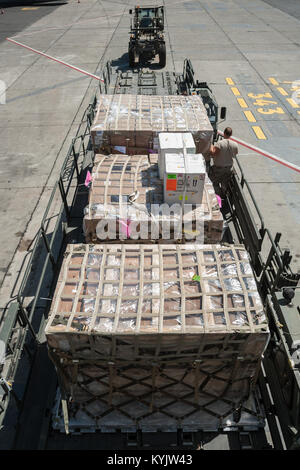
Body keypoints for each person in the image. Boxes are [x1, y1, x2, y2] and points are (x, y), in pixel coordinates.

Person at [208, 127, 238, 197]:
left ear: (224, 133)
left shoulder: (220, 144)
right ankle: (223, 194)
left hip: (219, 168)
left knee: (212, 181)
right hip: (229, 168)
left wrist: (211, 146)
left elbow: (213, 154)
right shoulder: (235, 144)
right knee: (225, 183)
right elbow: (235, 154)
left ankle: (217, 195)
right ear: (231, 134)